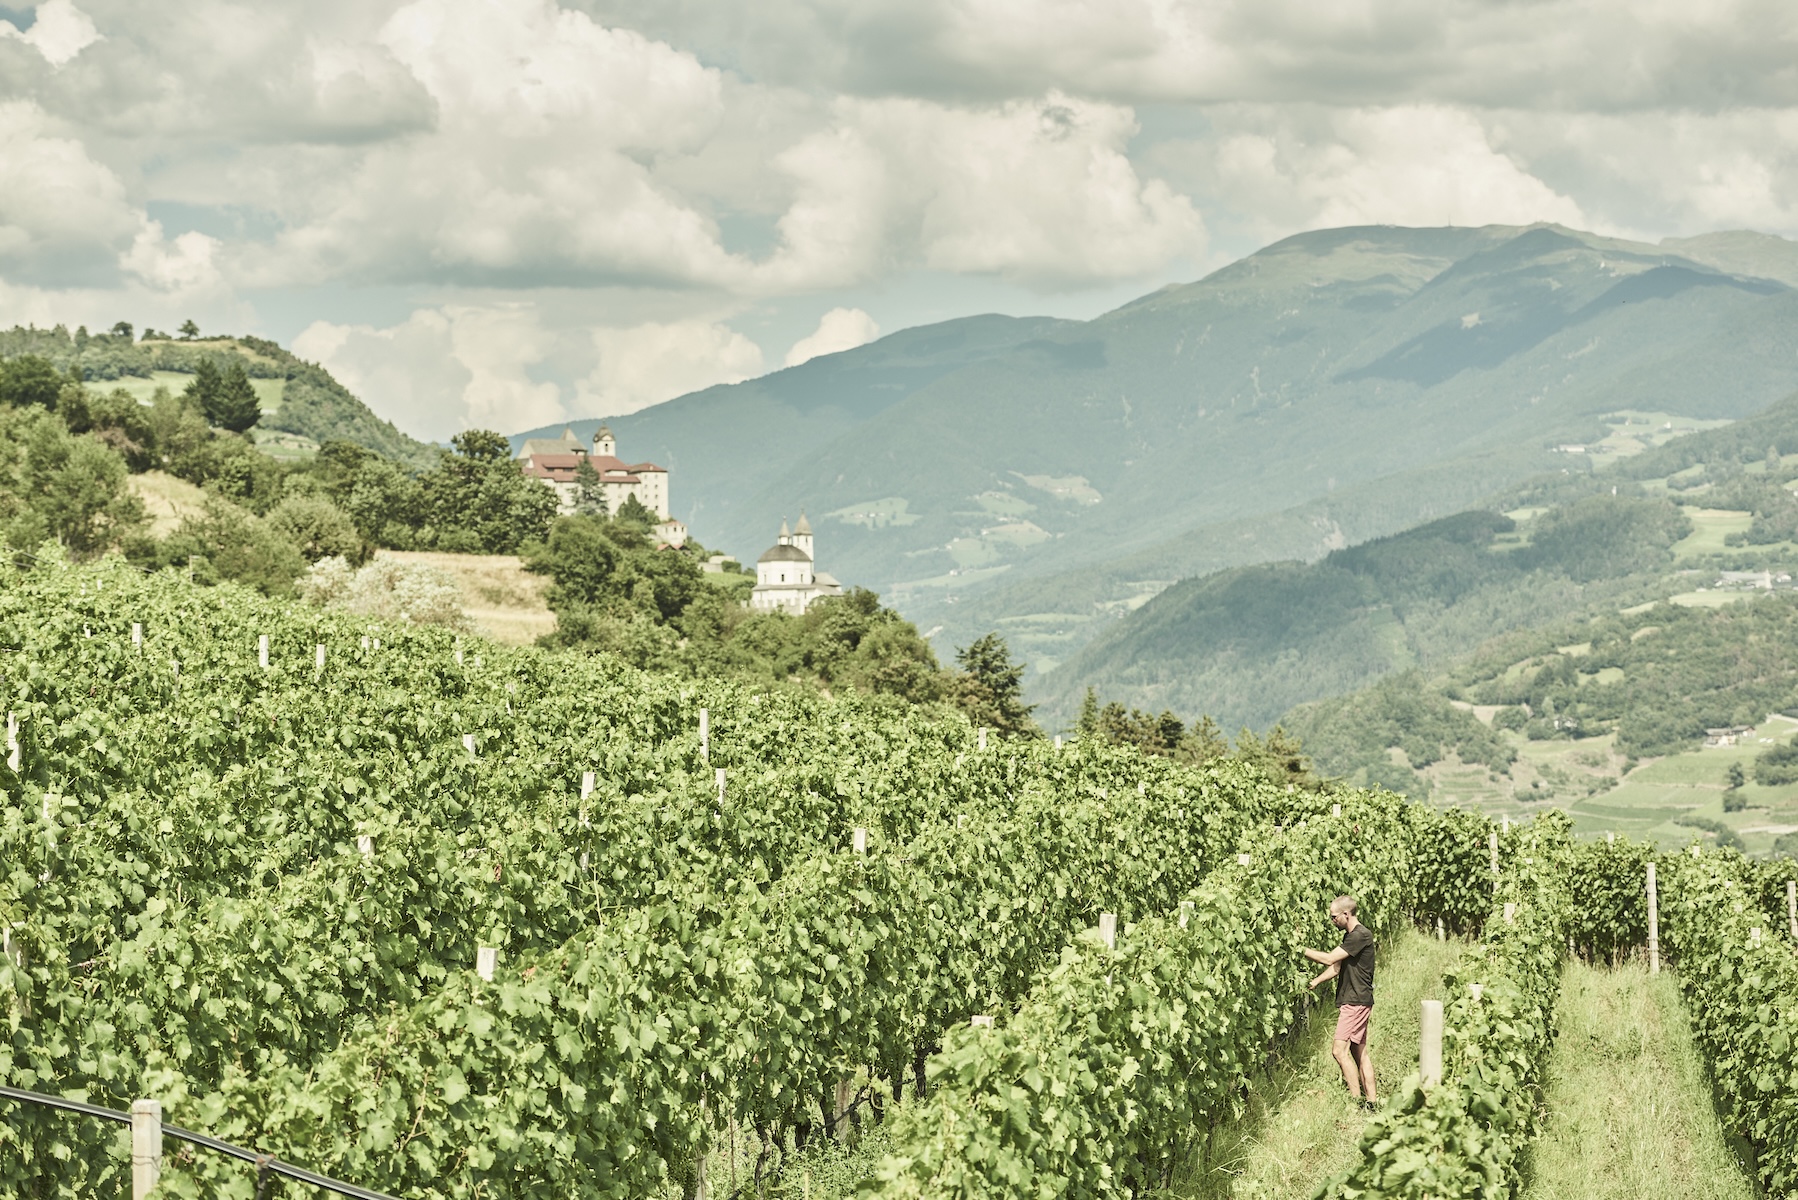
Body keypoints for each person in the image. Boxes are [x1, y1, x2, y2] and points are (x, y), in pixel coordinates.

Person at [1302, 894, 1376, 1105]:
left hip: (1355, 1001)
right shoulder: (1351, 936)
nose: (1332, 921)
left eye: (1334, 917)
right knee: (1358, 1051)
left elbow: (1329, 958)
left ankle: (1355, 1102)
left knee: (1338, 1051)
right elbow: (1337, 967)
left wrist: (1300, 950)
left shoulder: (1360, 935)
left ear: (1346, 914)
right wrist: (1316, 981)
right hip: (1356, 999)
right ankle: (1372, 1102)